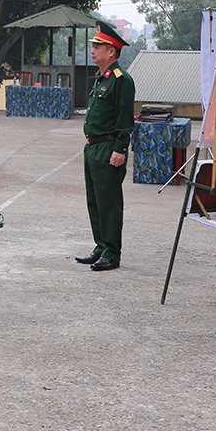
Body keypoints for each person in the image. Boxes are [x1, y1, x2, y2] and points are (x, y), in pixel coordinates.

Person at [75, 24, 135, 272]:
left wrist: (120, 149)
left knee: (109, 203)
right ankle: (100, 246)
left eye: (98, 46)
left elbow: (125, 119)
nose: (93, 50)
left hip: (109, 147)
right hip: (93, 148)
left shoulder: (122, 80)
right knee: (95, 202)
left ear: (112, 52)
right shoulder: (102, 78)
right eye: (93, 46)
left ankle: (112, 252)